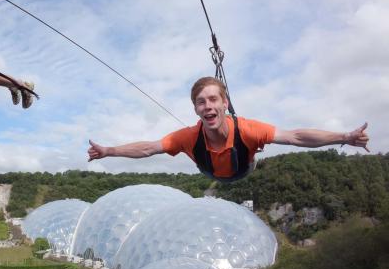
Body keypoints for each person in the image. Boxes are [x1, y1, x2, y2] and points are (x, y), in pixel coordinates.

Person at [87, 77, 370, 182]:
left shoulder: (247, 129)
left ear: (225, 103)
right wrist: (108, 151)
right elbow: (149, 148)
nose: (207, 107)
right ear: (195, 109)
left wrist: (345, 137)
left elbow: (295, 136)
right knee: (195, 155)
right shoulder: (188, 136)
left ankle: (250, 157)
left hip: (242, 169)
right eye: (201, 102)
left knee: (248, 154)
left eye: (213, 100)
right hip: (210, 171)